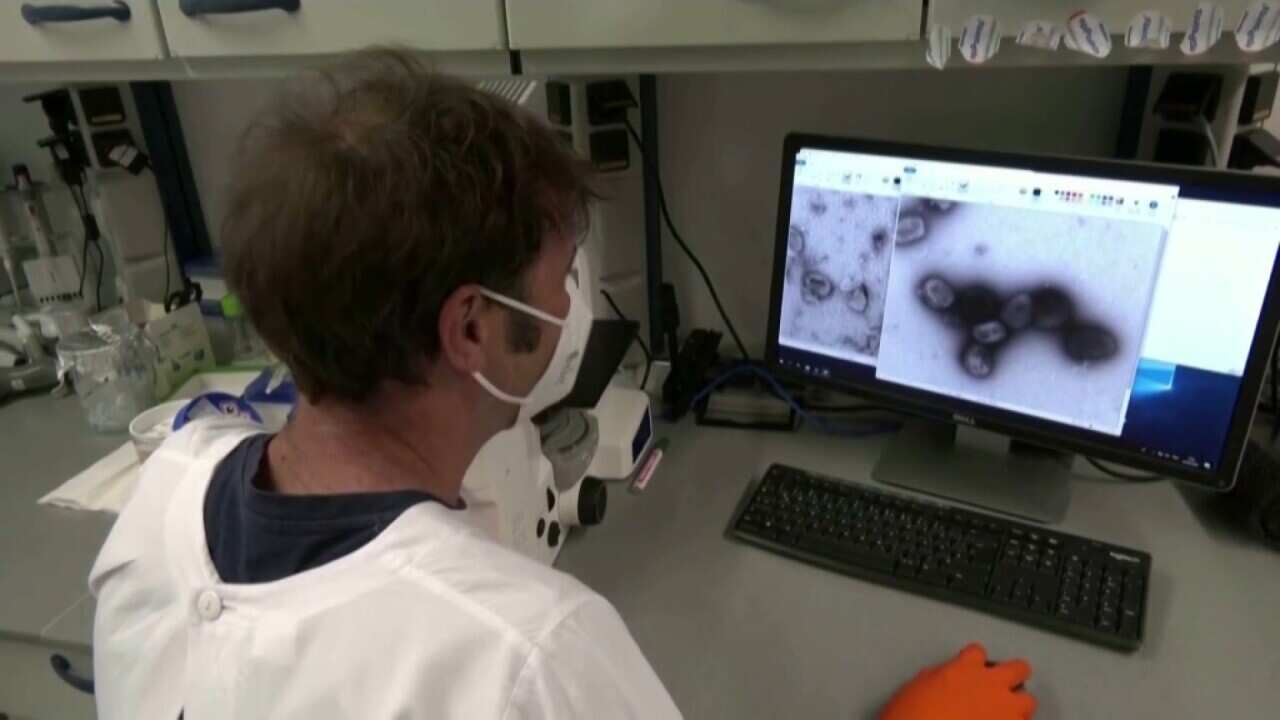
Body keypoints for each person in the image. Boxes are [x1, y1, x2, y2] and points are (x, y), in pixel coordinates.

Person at [89, 49, 1036, 719]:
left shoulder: (167, 495)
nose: (575, 297)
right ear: (471, 329)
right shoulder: (525, 654)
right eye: (562, 273)